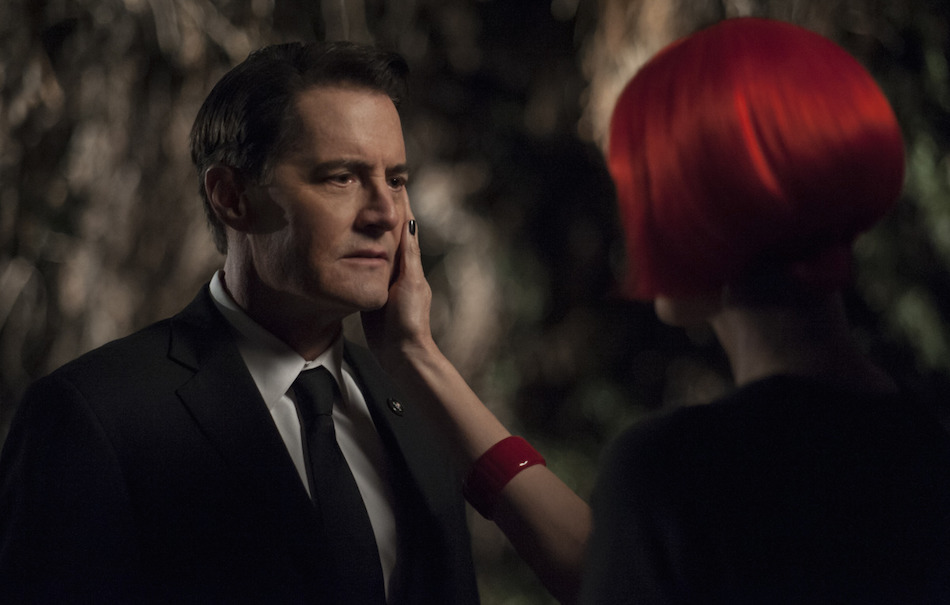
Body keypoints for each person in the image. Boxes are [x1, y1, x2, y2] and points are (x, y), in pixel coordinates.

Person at [361, 17, 950, 605]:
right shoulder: (922, 452)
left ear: (700, 212)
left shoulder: (682, 477)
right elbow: (611, 565)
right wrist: (416, 357)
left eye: (643, 188)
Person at [0, 41, 479, 604]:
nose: (386, 214)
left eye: (396, 180)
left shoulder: (419, 406)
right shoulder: (94, 415)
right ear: (230, 197)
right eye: (341, 178)